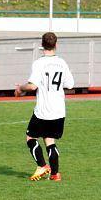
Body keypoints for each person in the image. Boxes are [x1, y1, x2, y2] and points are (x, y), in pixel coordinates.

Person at [15, 31, 74, 181]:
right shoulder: (62, 63)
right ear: (56, 45)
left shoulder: (39, 63)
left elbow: (32, 86)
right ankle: (55, 174)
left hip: (43, 110)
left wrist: (20, 88)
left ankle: (42, 166)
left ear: (42, 45)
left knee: (30, 137)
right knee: (50, 140)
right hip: (59, 111)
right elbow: (70, 84)